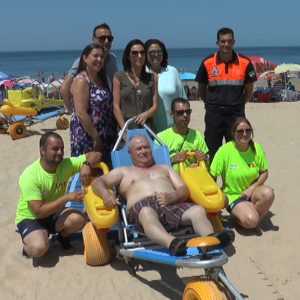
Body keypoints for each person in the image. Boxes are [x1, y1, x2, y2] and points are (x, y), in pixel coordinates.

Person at [92, 135, 234, 256]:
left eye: (146, 147)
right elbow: (98, 182)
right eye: (138, 149)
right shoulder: (123, 171)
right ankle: (172, 243)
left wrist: (172, 197)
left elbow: (184, 189)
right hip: (142, 209)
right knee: (147, 213)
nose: (143, 151)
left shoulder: (165, 168)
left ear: (151, 149)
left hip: (171, 205)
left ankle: (210, 241)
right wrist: (106, 195)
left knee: (198, 210)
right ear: (130, 154)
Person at [15, 132, 102, 258]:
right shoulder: (30, 176)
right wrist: (68, 197)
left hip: (53, 212)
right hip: (31, 217)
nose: (60, 152)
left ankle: (63, 237)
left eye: (62, 148)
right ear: (43, 150)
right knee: (38, 248)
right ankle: (30, 242)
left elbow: (97, 155)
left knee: (79, 219)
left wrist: (86, 164)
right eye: (55, 149)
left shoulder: (66, 164)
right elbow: (39, 211)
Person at [195, 27, 257, 161]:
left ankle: (232, 181)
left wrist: (238, 104)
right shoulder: (208, 62)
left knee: (236, 150)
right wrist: (211, 104)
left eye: (229, 41)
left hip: (236, 115)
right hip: (213, 115)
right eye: (223, 41)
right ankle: (211, 181)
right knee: (211, 151)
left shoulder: (245, 62)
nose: (226, 45)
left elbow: (249, 91)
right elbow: (201, 90)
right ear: (217, 43)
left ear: (234, 42)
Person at [210, 117, 275, 232]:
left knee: (269, 193)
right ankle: (245, 219)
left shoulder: (256, 148)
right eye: (240, 131)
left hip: (252, 191)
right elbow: (212, 175)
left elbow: (264, 172)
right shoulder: (225, 151)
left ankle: (252, 220)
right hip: (234, 195)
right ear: (233, 134)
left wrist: (251, 189)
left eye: (248, 130)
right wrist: (215, 197)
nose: (244, 134)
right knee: (251, 220)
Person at [70, 44, 117, 164]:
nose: (99, 59)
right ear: (85, 58)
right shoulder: (81, 80)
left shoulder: (99, 79)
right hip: (89, 136)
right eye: (95, 56)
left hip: (105, 135)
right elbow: (81, 113)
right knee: (90, 174)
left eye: (102, 57)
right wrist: (96, 136)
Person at [60, 23, 118, 113]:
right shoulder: (83, 61)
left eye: (109, 39)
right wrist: (73, 112)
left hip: (110, 111)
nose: (106, 41)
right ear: (93, 40)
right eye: (102, 38)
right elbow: (64, 89)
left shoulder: (113, 58)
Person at [113, 39, 158, 130]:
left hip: (147, 128)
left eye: (142, 52)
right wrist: (124, 131)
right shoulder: (119, 77)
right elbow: (115, 106)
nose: (139, 56)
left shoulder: (153, 78)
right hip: (126, 127)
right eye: (135, 53)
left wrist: (146, 114)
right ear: (128, 56)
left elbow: (155, 106)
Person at [145, 39, 187, 132]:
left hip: (172, 130)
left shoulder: (172, 71)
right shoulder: (142, 73)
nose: (156, 55)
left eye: (159, 52)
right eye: (152, 52)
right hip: (148, 130)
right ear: (146, 54)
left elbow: (183, 100)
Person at [157, 98, 209, 173]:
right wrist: (172, 160)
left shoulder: (197, 135)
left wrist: (204, 159)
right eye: (180, 112)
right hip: (170, 181)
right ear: (172, 114)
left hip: (192, 179)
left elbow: (207, 161)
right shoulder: (161, 138)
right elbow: (155, 165)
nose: (185, 115)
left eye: (188, 112)